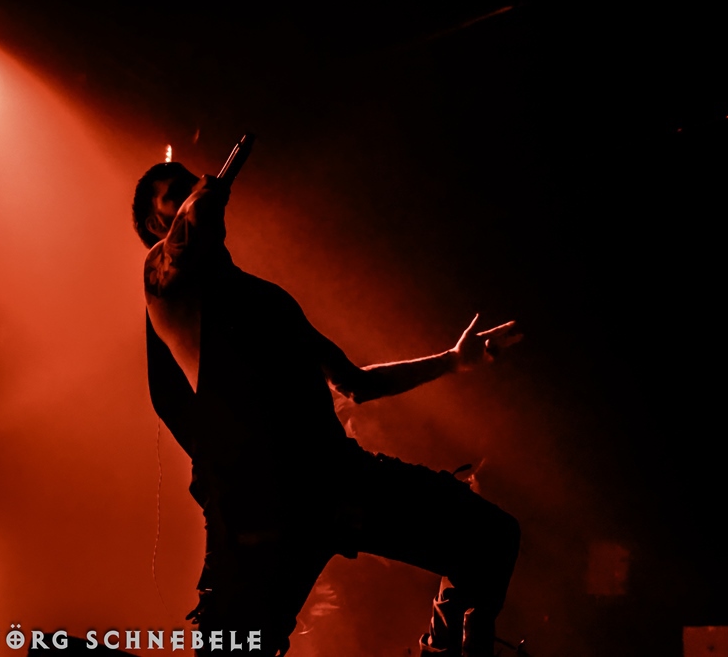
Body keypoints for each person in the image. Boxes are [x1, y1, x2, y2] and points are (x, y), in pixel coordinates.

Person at [133, 161, 522, 657]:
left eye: (192, 181)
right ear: (156, 226)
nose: (193, 189)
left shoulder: (268, 300)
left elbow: (354, 383)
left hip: (334, 479)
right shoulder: (164, 283)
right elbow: (189, 231)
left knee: (489, 538)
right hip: (257, 505)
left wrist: (451, 362)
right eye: (175, 192)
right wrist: (210, 190)